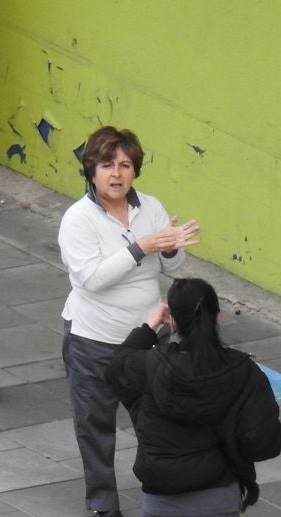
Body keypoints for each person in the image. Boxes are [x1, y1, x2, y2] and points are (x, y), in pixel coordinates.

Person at [59, 126, 200, 517]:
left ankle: (163, 496)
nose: (116, 174)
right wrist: (141, 246)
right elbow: (91, 279)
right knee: (95, 428)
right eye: (106, 165)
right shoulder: (78, 220)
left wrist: (170, 247)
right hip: (94, 341)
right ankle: (104, 506)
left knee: (158, 422)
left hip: (149, 339)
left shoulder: (150, 207)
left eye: (124, 165)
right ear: (91, 171)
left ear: (135, 170)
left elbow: (172, 267)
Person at [107, 278, 281, 517]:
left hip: (161, 501)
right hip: (219, 498)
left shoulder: (150, 365)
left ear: (173, 321)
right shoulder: (243, 371)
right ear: (217, 317)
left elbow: (116, 368)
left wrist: (149, 327)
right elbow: (261, 443)